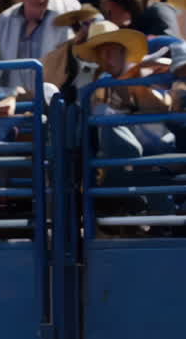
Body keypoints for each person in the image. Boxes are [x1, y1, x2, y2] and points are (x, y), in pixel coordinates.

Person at [75, 19, 176, 216]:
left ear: (123, 51)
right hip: (125, 167)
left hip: (156, 155)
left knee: (148, 176)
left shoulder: (145, 71)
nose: (106, 57)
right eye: (100, 52)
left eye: (111, 50)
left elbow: (163, 106)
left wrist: (134, 85)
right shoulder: (98, 85)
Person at [102, 0, 179, 38]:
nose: (109, 19)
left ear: (118, 7)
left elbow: (173, 44)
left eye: (110, 13)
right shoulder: (138, 23)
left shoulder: (158, 12)